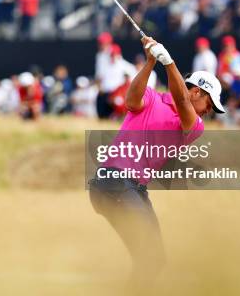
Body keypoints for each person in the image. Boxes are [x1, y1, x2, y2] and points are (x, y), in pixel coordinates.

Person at [89, 36, 226, 283]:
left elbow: (182, 100)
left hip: (131, 188)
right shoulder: (152, 97)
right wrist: (152, 61)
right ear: (197, 91)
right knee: (149, 257)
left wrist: (168, 62)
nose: (209, 110)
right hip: (113, 182)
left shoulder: (194, 126)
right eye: (209, 102)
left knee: (154, 260)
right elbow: (131, 100)